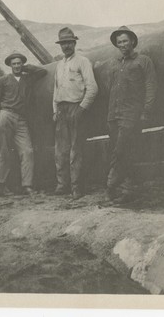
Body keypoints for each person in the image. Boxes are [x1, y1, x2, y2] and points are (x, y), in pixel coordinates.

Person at [105, 26, 157, 203]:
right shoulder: (115, 63)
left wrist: (146, 111)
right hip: (114, 114)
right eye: (119, 42)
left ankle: (111, 184)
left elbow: (151, 86)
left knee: (121, 150)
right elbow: (110, 88)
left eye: (125, 41)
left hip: (131, 113)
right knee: (121, 151)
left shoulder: (143, 61)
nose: (122, 45)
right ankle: (127, 189)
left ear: (133, 41)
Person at [0, 51, 47, 196]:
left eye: (19, 63)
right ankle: (1, 185)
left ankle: (26, 185)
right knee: (3, 151)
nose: (16, 66)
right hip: (6, 115)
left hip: (21, 119)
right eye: (14, 64)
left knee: (27, 151)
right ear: (10, 65)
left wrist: (27, 67)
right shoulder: (3, 80)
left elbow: (42, 71)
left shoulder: (27, 78)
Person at [53, 27, 98, 199]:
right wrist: (55, 110)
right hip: (61, 110)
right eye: (63, 43)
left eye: (69, 43)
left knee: (76, 149)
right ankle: (62, 184)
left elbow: (93, 88)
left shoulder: (83, 62)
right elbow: (56, 91)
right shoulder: (59, 65)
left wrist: (81, 108)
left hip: (76, 107)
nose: (66, 46)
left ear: (74, 43)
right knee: (60, 150)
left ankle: (76, 187)